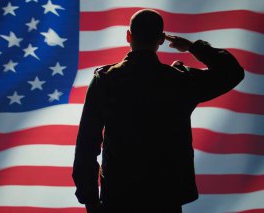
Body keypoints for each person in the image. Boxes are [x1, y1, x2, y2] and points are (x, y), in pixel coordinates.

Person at [72, 9, 244, 213]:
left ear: (129, 35)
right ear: (161, 39)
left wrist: (90, 199)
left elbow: (87, 143)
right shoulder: (179, 80)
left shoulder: (106, 80)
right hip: (165, 197)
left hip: (118, 196)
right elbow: (232, 72)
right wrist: (192, 47)